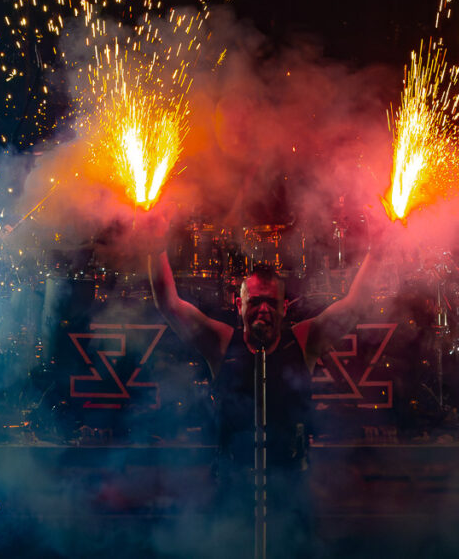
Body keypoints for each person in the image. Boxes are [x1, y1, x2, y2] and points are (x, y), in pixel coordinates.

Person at [148, 225, 386, 553]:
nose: (264, 310)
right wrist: (154, 244)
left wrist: (378, 252)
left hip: (289, 489)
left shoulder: (304, 341)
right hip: (235, 487)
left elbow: (355, 306)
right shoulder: (221, 342)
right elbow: (168, 304)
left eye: (271, 303)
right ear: (239, 304)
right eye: (255, 302)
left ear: (284, 307)